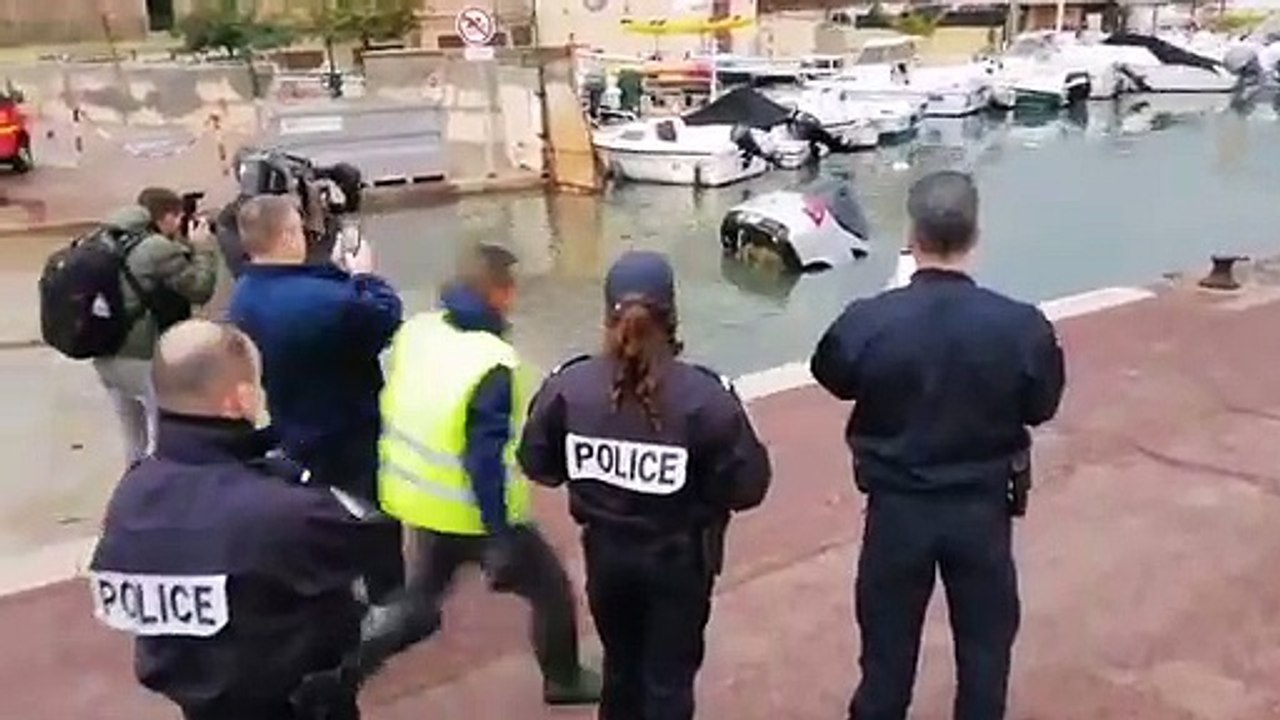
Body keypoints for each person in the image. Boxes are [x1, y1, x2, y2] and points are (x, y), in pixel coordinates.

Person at [810, 171, 1066, 720]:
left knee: (885, 661)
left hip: (897, 509)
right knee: (984, 656)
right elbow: (1042, 405)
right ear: (976, 235)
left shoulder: (871, 321)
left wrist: (886, 309)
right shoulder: (1021, 327)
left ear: (912, 234)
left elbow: (832, 372)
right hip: (982, 509)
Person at [517, 250, 773, 720]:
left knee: (620, 671)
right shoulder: (706, 397)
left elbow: (538, 464)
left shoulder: (569, 388)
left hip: (608, 560)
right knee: (668, 683)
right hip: (679, 565)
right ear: (672, 316)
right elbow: (749, 486)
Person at [88, 319, 375, 720]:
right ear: (239, 399)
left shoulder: (131, 496)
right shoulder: (283, 511)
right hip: (296, 702)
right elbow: (364, 541)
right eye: (258, 384)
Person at [359, 244, 602, 706]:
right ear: (500, 293)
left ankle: (349, 664)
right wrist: (499, 538)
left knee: (420, 600)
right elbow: (484, 458)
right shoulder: (492, 363)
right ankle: (563, 679)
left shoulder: (419, 330)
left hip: (419, 500)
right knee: (551, 589)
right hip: (473, 510)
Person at [227, 194, 405, 605]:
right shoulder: (323, 298)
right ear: (288, 234)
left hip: (291, 422)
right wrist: (364, 276)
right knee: (371, 512)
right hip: (347, 421)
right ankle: (387, 598)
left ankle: (333, 590)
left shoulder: (242, 296)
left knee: (315, 514)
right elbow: (384, 317)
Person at [93, 187, 219, 467]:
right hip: (141, 358)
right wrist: (203, 248)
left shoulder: (107, 237)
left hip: (105, 353)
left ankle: (134, 497)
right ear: (168, 216)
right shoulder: (156, 248)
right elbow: (199, 289)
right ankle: (163, 500)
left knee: (134, 442)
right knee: (165, 441)